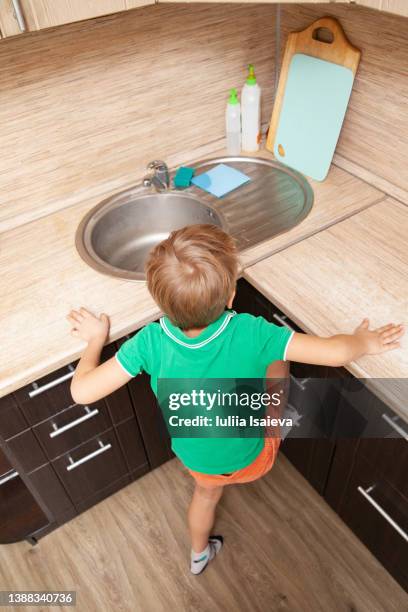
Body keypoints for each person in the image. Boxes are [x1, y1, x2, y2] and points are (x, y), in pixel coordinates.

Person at [66, 224, 404, 575]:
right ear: (230, 296)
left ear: (157, 299)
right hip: (253, 458)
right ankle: (278, 419)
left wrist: (95, 340)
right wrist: (365, 342)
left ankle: (199, 555)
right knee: (277, 356)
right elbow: (336, 353)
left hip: (199, 459)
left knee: (205, 497)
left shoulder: (148, 342)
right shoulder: (251, 330)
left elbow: (81, 392)